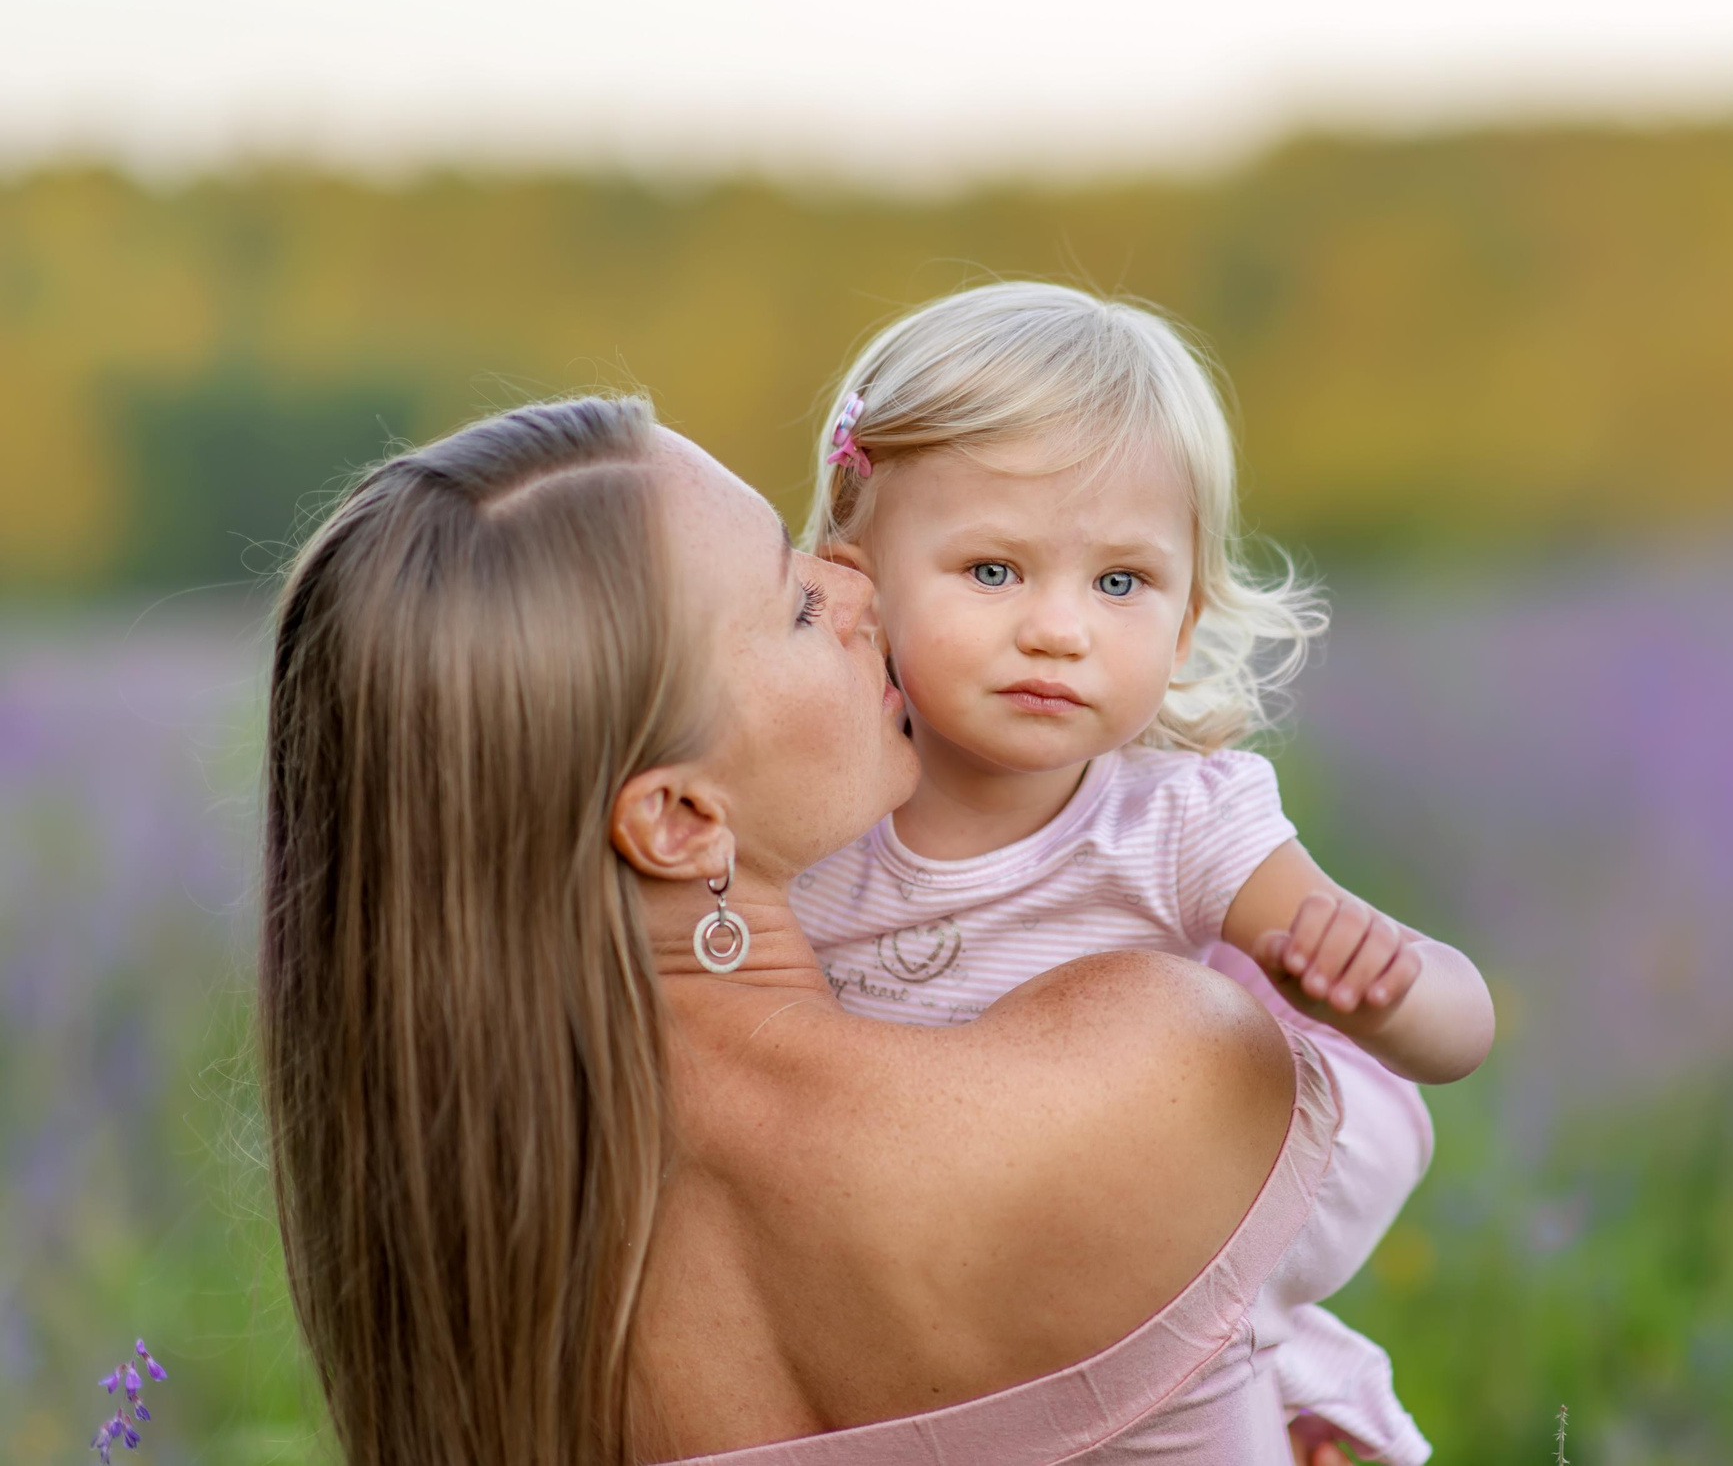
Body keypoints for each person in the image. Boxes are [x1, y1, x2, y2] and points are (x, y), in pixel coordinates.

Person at [258, 395, 1385, 1466]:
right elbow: (1358, 1106)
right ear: (681, 818)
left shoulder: (466, 1297)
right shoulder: (1157, 1060)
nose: (857, 582)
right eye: (796, 603)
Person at [796, 282, 1498, 1463]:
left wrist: (1383, 984)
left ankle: (1275, 1383)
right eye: (993, 570)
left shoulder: (1175, 820)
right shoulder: (813, 820)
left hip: (1145, 1311)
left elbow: (1460, 1030)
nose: (1059, 628)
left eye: (1120, 583)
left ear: (1182, 626)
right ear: (852, 580)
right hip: (910, 1333)